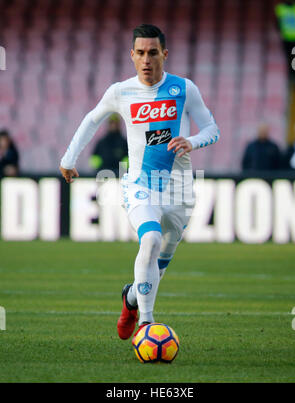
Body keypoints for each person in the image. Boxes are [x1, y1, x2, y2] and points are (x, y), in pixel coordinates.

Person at [60, 24, 220, 340]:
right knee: (149, 240)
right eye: (141, 53)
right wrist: (68, 159)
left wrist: (192, 141)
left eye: (153, 53)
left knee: (157, 267)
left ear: (165, 54)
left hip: (180, 191)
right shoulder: (120, 91)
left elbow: (212, 128)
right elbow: (92, 120)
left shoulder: (184, 89)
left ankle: (131, 299)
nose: (147, 60)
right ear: (132, 56)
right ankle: (146, 325)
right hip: (139, 185)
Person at [275, 0, 295, 81]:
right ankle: (293, 75)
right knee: (290, 57)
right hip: (287, 38)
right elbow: (277, 23)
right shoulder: (280, 8)